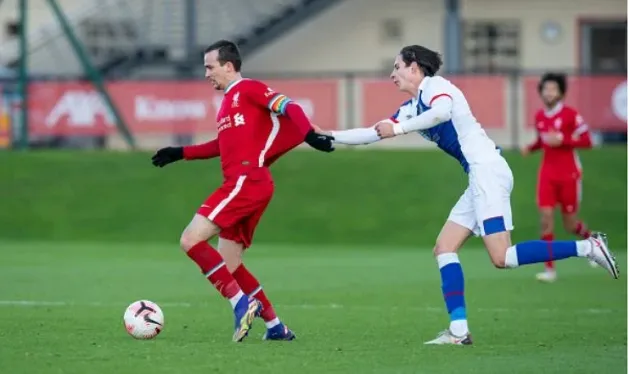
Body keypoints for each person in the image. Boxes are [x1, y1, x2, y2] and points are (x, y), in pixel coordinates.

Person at [321, 45, 619, 345]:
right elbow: (373, 132)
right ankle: (459, 331)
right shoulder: (411, 108)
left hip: (487, 170)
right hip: (480, 175)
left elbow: (442, 112)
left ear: (414, 67)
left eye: (397, 67)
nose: (392, 74)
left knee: (502, 257)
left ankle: (588, 247)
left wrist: (398, 131)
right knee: (444, 248)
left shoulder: (436, 87)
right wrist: (328, 134)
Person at [151, 40, 335, 342]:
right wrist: (180, 152)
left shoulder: (248, 89)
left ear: (228, 66)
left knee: (190, 239)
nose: (207, 73)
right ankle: (276, 327)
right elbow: (220, 146)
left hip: (246, 181)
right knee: (230, 262)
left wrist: (309, 135)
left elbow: (290, 106)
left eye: (210, 67)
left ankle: (240, 302)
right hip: (251, 184)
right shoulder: (227, 104)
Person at [522, 73, 598, 282]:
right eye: (546, 89)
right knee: (546, 219)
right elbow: (543, 141)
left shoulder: (571, 115)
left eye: (553, 89)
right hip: (547, 174)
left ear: (561, 92)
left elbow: (588, 141)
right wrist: (530, 148)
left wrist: (563, 139)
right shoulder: (539, 116)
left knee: (570, 225)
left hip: (569, 175)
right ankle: (549, 270)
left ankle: (593, 243)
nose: (549, 93)